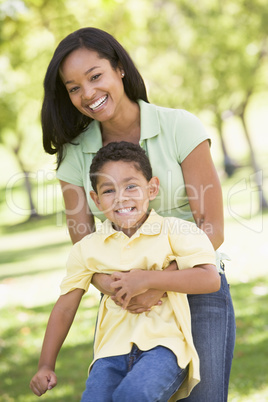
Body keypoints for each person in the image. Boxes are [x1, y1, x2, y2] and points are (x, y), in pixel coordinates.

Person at [40, 27, 235, 401]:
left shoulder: (179, 126)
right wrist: (120, 288)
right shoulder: (73, 154)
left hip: (195, 283)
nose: (88, 94)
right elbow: (84, 244)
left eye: (95, 76)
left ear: (120, 69)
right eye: (74, 87)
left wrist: (156, 281)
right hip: (124, 301)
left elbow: (212, 226)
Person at [30, 142, 220, 401]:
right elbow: (64, 308)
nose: (121, 197)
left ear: (151, 188)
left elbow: (209, 278)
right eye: (108, 190)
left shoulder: (175, 231)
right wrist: (45, 364)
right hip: (109, 352)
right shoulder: (87, 249)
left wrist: (147, 279)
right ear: (95, 199)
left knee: (133, 395)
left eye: (131, 186)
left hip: (165, 348)